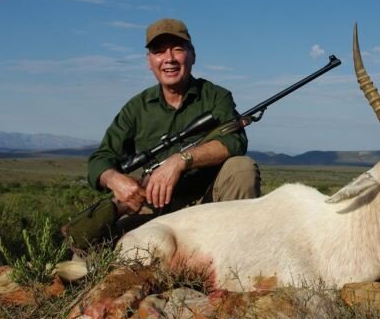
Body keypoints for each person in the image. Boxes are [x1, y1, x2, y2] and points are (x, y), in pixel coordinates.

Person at [88, 18, 261, 226]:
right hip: (154, 203)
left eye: (177, 49)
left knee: (241, 167)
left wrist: (180, 160)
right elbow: (101, 159)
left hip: (208, 202)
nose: (169, 59)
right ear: (149, 61)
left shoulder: (216, 97)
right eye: (159, 51)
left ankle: (234, 250)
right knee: (96, 241)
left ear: (193, 55)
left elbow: (234, 141)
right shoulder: (136, 108)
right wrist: (115, 180)